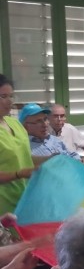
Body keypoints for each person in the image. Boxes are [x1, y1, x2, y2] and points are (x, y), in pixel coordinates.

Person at [0, 75, 37, 214]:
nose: (9, 101)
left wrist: (51, 159)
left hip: (25, 198)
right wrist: (18, 174)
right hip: (4, 203)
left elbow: (25, 157)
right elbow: (21, 170)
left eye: (11, 96)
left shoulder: (15, 123)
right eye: (3, 96)